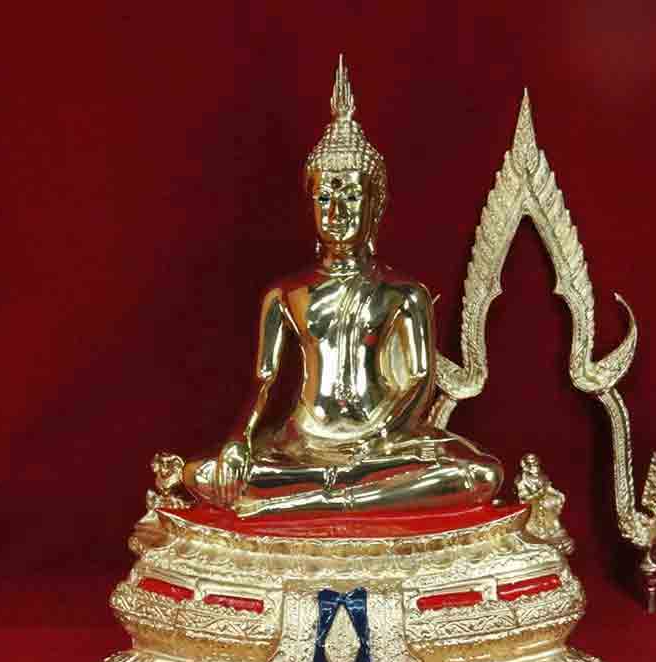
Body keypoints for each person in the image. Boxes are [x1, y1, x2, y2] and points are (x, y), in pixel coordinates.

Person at [183, 56, 502, 517]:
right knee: (204, 473)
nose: (336, 211)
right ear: (311, 203)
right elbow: (264, 381)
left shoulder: (403, 293)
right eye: (324, 197)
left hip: (381, 444)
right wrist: (239, 440)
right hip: (302, 444)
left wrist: (375, 438)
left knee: (480, 475)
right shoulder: (286, 293)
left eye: (351, 195)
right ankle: (334, 494)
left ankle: (309, 501)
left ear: (376, 204)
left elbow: (417, 383)